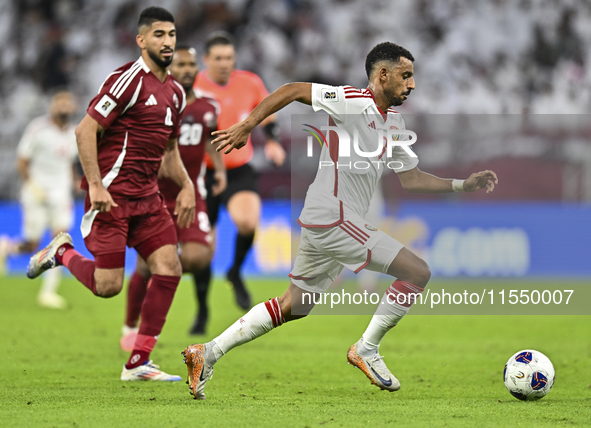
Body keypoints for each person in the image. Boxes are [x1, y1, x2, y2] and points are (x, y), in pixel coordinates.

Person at [181, 42, 499, 399]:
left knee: (294, 305)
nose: (412, 85)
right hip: (333, 216)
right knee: (418, 271)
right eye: (406, 76)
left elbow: (411, 178)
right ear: (383, 75)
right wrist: (247, 125)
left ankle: (207, 353)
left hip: (331, 222)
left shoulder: (394, 122)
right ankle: (366, 348)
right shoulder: (352, 101)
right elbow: (292, 90)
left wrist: (461, 184)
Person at [27, 7, 195, 381]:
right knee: (108, 287)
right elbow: (85, 131)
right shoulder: (128, 80)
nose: (167, 42)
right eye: (158, 35)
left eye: (171, 34)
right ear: (141, 40)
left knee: (169, 267)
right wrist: (97, 184)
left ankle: (138, 363)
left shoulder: (176, 94)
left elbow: (169, 153)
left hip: (149, 199)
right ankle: (62, 253)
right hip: (112, 196)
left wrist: (186, 186)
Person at [120, 46, 226, 351]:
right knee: (143, 267)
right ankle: (130, 326)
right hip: (152, 194)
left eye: (192, 64)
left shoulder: (209, 106)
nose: (188, 69)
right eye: (181, 64)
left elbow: (210, 140)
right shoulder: (156, 103)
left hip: (192, 192)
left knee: (197, 257)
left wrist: (219, 170)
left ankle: (163, 271)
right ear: (170, 67)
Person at [192, 31, 286, 318]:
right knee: (204, 249)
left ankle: (234, 272)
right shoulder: (193, 85)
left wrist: (271, 140)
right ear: (206, 59)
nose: (224, 63)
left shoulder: (249, 82)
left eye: (229, 57)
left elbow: (268, 113)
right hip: (203, 171)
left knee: (247, 222)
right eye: (218, 58)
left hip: (239, 169)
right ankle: (202, 308)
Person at [0, 91, 78, 309]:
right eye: (60, 102)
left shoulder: (74, 133)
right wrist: (32, 186)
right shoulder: (38, 128)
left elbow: (69, 161)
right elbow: (22, 161)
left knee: (61, 240)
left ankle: (48, 293)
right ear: (53, 106)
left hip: (60, 194)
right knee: (31, 244)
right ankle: (6, 248)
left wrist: (74, 181)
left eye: (68, 102)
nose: (65, 106)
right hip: (36, 193)